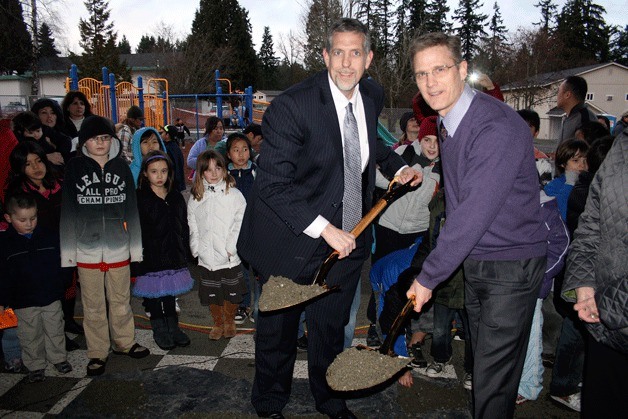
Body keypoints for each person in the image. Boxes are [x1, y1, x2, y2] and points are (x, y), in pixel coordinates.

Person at [237, 18, 420, 418]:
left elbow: (369, 147)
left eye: (355, 52)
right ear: (325, 56)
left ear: (368, 58)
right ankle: (269, 404)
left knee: (329, 332)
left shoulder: (371, 93)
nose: (346, 62)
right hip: (288, 243)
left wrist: (398, 168)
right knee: (278, 336)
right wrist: (325, 229)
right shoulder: (292, 106)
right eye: (338, 52)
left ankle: (330, 399)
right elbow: (272, 185)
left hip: (346, 244)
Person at [405, 32, 547, 419]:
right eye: (421, 74)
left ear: (462, 70)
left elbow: (472, 211)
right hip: (478, 260)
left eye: (440, 69)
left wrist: (429, 276)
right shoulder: (449, 122)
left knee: (493, 377)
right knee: (484, 367)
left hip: (511, 265)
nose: (431, 82)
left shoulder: (493, 126)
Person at [59, 115, 149, 377]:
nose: (100, 142)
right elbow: (68, 212)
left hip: (118, 248)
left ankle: (124, 342)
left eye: (105, 137)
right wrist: (69, 255)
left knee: (121, 299)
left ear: (112, 140)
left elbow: (131, 211)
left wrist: (135, 249)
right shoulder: (74, 168)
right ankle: (97, 352)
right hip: (86, 250)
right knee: (93, 305)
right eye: (95, 138)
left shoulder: (121, 167)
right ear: (84, 140)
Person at [561, 133, 626, 418]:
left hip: (609, 308)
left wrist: (608, 304)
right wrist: (584, 284)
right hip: (604, 326)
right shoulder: (622, 146)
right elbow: (591, 222)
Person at [5, 141, 83, 350]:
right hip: (39, 250)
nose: (36, 167)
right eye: (28, 164)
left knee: (68, 285)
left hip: (65, 242)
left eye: (39, 160)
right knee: (50, 291)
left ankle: (68, 320)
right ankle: (56, 335)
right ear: (20, 167)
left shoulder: (59, 181)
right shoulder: (18, 193)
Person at [0, 193, 73, 383]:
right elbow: (3, 276)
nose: (29, 223)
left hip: (50, 294)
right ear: (8, 218)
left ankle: (58, 358)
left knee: (55, 328)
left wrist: (62, 283)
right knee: (29, 335)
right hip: (23, 300)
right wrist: (4, 300)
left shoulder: (48, 235)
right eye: (22, 220)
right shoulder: (5, 244)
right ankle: (35, 365)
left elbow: (62, 261)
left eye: (33, 218)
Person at [133, 150, 193, 350]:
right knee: (153, 294)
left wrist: (185, 248)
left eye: (164, 171)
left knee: (169, 292)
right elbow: (136, 228)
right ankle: (159, 327)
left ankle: (173, 327)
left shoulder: (175, 196)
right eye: (154, 171)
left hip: (173, 253)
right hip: (150, 255)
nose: (159, 176)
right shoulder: (140, 198)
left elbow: (183, 224)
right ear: (145, 174)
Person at [516, 190, 570, 405]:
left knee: (530, 338)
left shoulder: (545, 210)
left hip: (532, 288)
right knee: (516, 337)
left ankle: (528, 386)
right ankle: (518, 379)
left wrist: (539, 277)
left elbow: (562, 244)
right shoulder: (509, 201)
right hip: (511, 285)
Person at [188, 150, 246, 341]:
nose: (213, 173)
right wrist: (196, 248)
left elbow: (240, 222)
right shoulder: (197, 195)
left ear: (224, 168)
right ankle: (218, 322)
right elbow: (192, 223)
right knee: (212, 292)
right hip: (206, 256)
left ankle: (229, 320)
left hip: (228, 256)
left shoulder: (234, 195)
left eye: (217, 168)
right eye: (208, 169)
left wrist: (231, 247)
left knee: (231, 291)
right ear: (201, 172)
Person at [226, 132, 257, 325]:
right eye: (236, 150)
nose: (241, 154)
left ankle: (262, 308)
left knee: (260, 272)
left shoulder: (256, 172)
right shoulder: (224, 175)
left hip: (256, 228)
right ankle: (243, 305)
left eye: (245, 149)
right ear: (228, 154)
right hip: (234, 231)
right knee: (241, 270)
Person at [544, 139, 589, 220]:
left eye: (585, 161)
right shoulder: (552, 187)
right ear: (562, 163)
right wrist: (569, 184)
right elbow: (559, 213)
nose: (582, 165)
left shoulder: (589, 184)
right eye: (575, 161)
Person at [516, 109, 553, 186]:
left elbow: (545, 191)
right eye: (518, 126)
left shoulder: (542, 163)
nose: (522, 131)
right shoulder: (502, 155)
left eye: (527, 128)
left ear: (536, 133)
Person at [30, 98, 72, 166]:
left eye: (53, 113)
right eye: (44, 112)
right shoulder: (31, 135)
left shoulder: (65, 135)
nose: (49, 116)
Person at [556, 76, 597, 143]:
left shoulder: (585, 120)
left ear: (567, 95)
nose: (557, 96)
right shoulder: (570, 118)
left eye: (559, 91)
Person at [160, 125, 186, 192]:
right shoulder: (175, 147)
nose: (161, 134)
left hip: (172, 184)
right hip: (176, 183)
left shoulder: (167, 149)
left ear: (167, 135)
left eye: (162, 132)